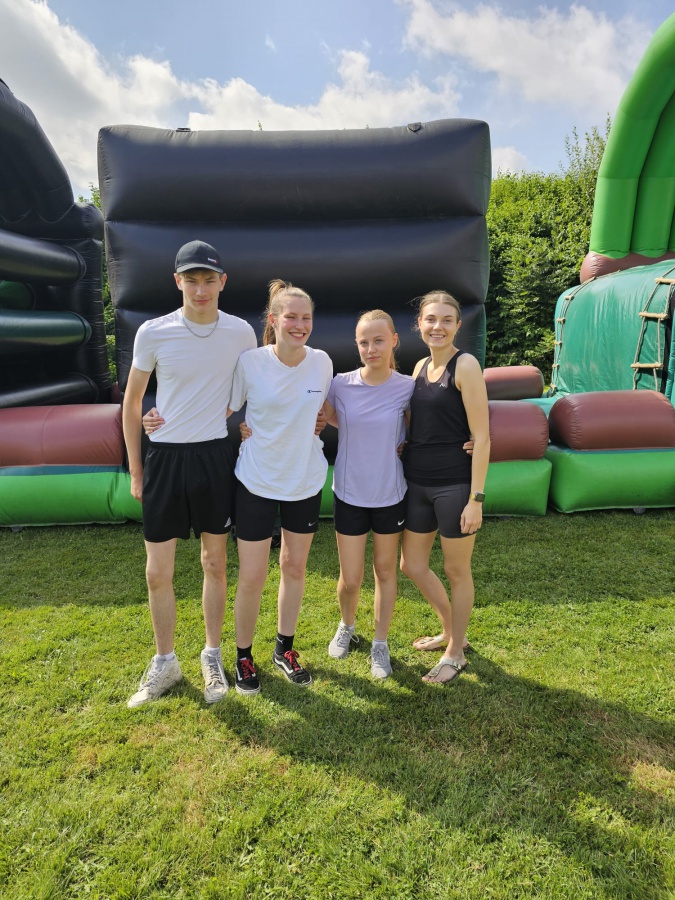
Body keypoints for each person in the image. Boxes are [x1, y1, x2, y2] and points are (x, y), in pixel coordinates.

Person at [122, 240, 256, 709]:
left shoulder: (241, 332)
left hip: (214, 457)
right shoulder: (153, 332)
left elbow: (254, 388)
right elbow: (132, 403)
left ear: (223, 282)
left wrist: (241, 418)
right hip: (163, 459)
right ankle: (165, 662)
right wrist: (136, 469)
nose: (201, 290)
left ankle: (212, 656)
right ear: (177, 281)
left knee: (214, 563)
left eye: (209, 280)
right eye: (192, 280)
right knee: (157, 572)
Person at [228, 279, 333, 695]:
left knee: (294, 567)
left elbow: (321, 409)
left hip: (304, 479)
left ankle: (283, 649)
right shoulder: (251, 362)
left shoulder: (322, 362)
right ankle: (243, 655)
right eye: (291, 317)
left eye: (306, 317)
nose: (299, 324)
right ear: (273, 320)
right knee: (252, 575)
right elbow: (226, 408)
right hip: (256, 479)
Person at [399, 290, 490, 684]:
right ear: (419, 324)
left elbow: (482, 437)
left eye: (446, 320)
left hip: (454, 485)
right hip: (417, 482)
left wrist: (476, 499)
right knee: (411, 565)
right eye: (430, 319)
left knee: (456, 570)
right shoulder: (419, 366)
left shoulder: (465, 365)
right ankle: (452, 631)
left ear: (457, 325)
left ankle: (456, 653)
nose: (438, 326)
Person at [323, 310, 414, 679]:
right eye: (364, 342)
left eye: (378, 340)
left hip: (390, 494)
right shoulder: (340, 384)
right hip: (350, 494)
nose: (371, 348)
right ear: (357, 345)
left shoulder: (408, 386)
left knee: (385, 571)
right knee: (351, 577)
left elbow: (424, 426)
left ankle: (380, 642)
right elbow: (324, 416)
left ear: (394, 340)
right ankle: (346, 625)